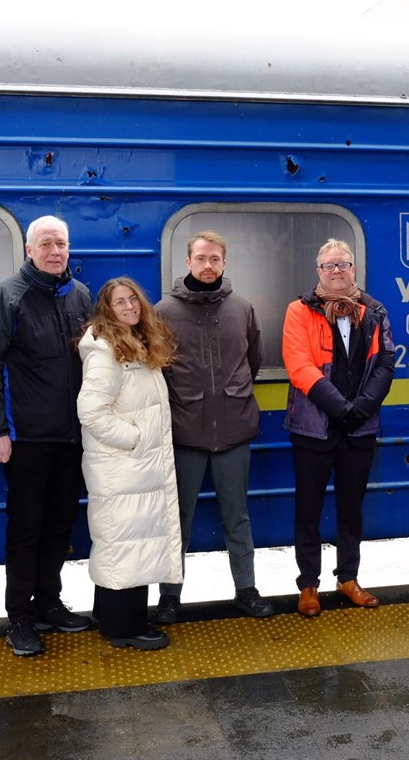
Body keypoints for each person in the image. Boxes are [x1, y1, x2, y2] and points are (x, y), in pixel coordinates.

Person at [0, 215, 94, 657]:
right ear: (28, 249)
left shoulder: (79, 295)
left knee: (60, 526)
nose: (55, 251)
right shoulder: (7, 297)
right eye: (45, 244)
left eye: (61, 243)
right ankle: (19, 617)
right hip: (24, 438)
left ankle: (49, 603)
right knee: (26, 529)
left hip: (71, 437)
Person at [155, 231, 273, 623]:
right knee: (179, 518)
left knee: (236, 516)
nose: (209, 266)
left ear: (224, 263)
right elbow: (158, 370)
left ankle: (246, 589)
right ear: (187, 262)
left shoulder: (241, 308)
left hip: (235, 430)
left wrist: (232, 394)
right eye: (202, 258)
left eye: (216, 259)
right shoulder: (164, 312)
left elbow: (252, 358)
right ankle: (170, 596)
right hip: (185, 432)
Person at [283, 238, 394, 617]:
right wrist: (341, 409)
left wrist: (360, 409)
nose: (336, 271)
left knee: (352, 509)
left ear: (354, 270)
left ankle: (348, 579)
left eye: (342, 265)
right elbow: (299, 366)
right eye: (328, 265)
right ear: (318, 272)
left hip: (359, 428)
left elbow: (385, 365)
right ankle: (308, 585)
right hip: (313, 428)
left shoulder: (375, 311)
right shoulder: (298, 311)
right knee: (308, 510)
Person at [77, 277, 183, 650]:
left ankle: (110, 616)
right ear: (107, 310)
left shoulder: (133, 344)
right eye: (119, 302)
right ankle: (126, 627)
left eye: (133, 300)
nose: (128, 307)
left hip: (130, 469)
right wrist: (135, 439)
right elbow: (90, 412)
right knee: (127, 543)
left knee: (123, 541)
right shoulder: (106, 350)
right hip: (123, 465)